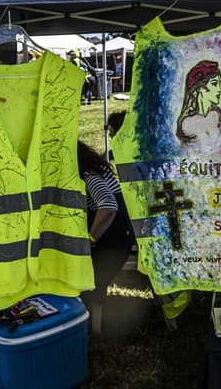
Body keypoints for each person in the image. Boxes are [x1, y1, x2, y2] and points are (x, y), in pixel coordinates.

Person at [77, 140, 135, 332]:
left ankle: (94, 330)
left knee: (92, 283)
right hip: (120, 236)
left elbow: (108, 207)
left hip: (115, 240)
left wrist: (91, 239)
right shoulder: (95, 167)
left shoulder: (88, 175)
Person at [175, 60, 221, 147]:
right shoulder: (187, 123)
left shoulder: (217, 115)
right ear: (199, 88)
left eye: (219, 84)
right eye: (214, 84)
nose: (220, 89)